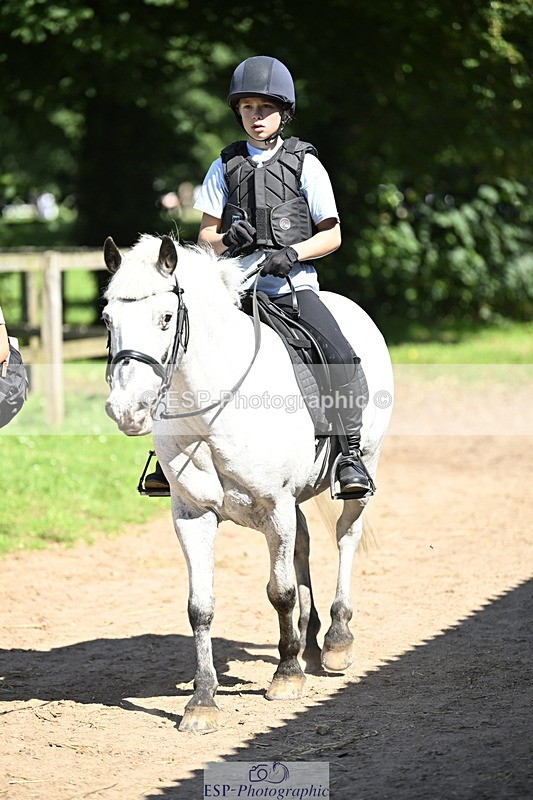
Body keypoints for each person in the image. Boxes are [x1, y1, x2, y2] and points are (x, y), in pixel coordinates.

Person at [144, 55, 370, 498]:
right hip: (235, 285)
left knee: (337, 350)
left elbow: (333, 235)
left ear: (283, 113)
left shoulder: (306, 164)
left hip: (291, 284)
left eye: (265, 108)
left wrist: (293, 252)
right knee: (179, 346)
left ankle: (350, 454)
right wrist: (228, 237)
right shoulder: (223, 166)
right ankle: (163, 455)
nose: (256, 117)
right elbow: (206, 236)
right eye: (247, 108)